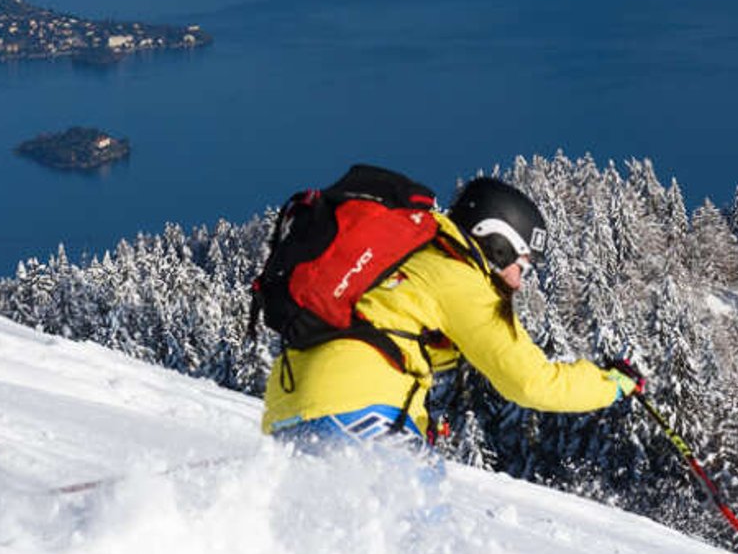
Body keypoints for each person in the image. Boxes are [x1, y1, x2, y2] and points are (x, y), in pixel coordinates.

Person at [261, 175, 643, 446]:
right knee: (422, 537)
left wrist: (418, 418)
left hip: (287, 407)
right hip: (357, 411)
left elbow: (389, 335)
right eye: (522, 266)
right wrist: (613, 385)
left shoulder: (413, 257)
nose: (520, 281)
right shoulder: (462, 281)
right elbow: (531, 383)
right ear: (497, 243)